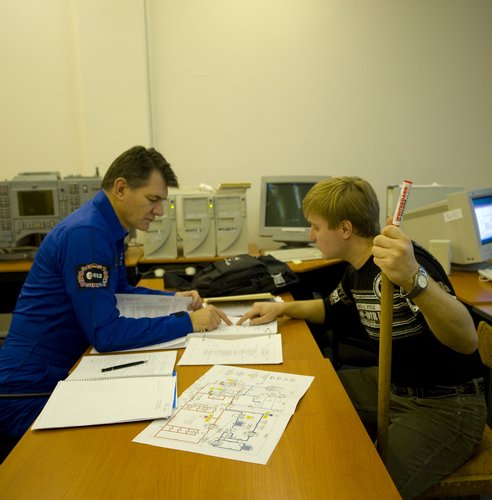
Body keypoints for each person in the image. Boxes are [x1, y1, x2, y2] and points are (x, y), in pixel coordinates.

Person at [237, 176, 486, 499]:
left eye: (315, 226)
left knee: (368, 488)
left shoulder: (405, 265)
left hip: (447, 405)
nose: (311, 235)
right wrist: (283, 309)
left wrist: (413, 278)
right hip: (393, 385)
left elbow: (467, 340)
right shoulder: (357, 269)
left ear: (344, 229)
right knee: (310, 393)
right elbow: (332, 309)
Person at [0, 145, 230, 444]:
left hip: (60, 370)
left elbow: (119, 293)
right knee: (119, 442)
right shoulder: (88, 234)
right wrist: (188, 322)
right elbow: (106, 333)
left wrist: (176, 302)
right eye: (153, 199)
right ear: (121, 188)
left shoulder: (106, 227)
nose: (160, 211)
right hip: (28, 389)